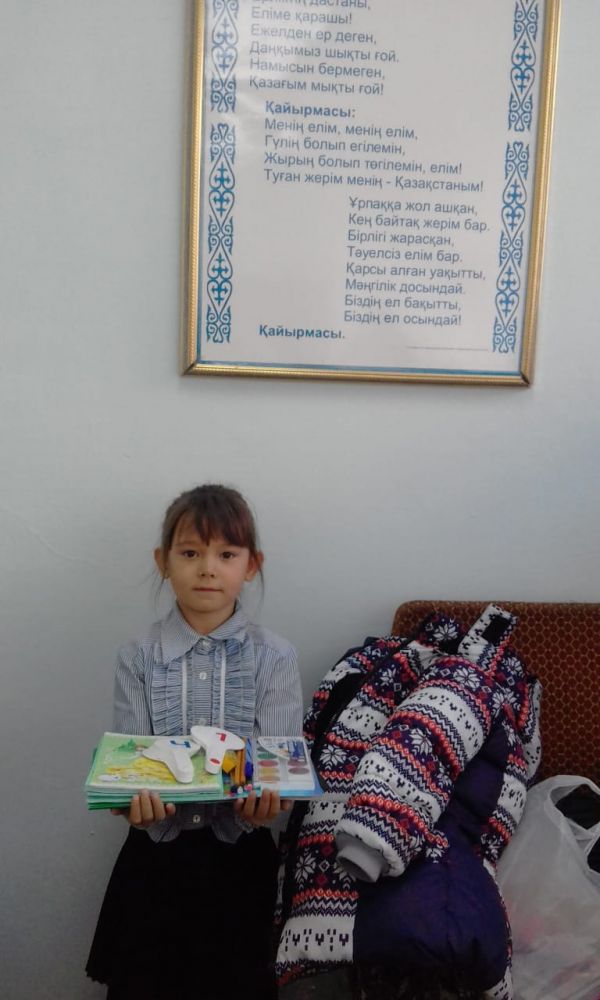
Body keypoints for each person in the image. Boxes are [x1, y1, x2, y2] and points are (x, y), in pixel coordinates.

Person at [86, 484, 303, 1000]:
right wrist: (130, 804)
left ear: (251, 565)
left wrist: (266, 805)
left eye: (226, 554)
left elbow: (279, 771)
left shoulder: (275, 656)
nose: (208, 569)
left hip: (242, 863)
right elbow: (130, 768)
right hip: (155, 863)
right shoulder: (137, 656)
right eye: (190, 553)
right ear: (163, 561)